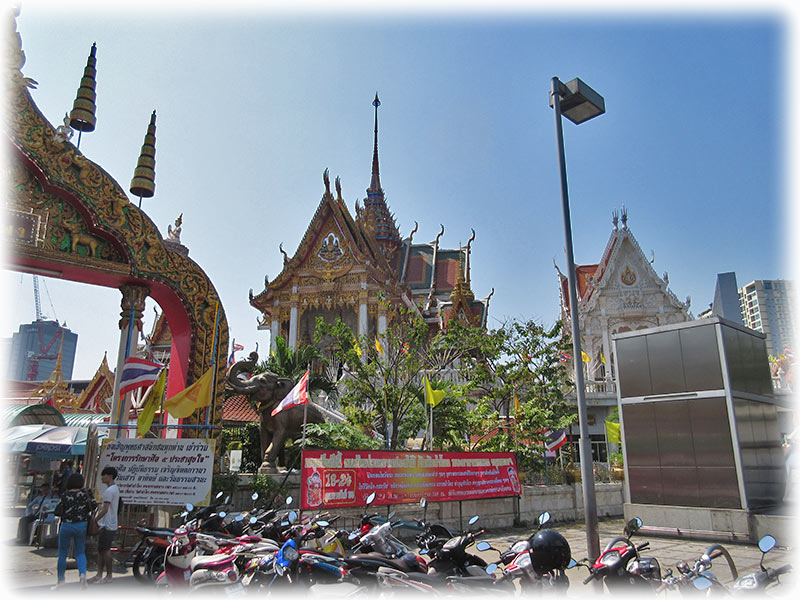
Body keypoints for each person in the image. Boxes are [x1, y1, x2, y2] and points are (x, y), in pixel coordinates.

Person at [52, 473, 96, 589]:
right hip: (81, 525)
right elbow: (94, 506)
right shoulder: (86, 493)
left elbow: (58, 510)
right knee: (80, 552)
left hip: (66, 525)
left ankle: (60, 580)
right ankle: (82, 575)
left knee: (62, 554)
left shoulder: (65, 495)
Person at [88, 466, 119, 584]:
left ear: (110, 476)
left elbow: (105, 509)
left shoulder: (110, 491)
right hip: (108, 524)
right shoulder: (114, 489)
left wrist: (95, 520)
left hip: (107, 525)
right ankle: (99, 574)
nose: (102, 477)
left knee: (105, 550)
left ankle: (109, 575)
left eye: (104, 475)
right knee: (101, 550)